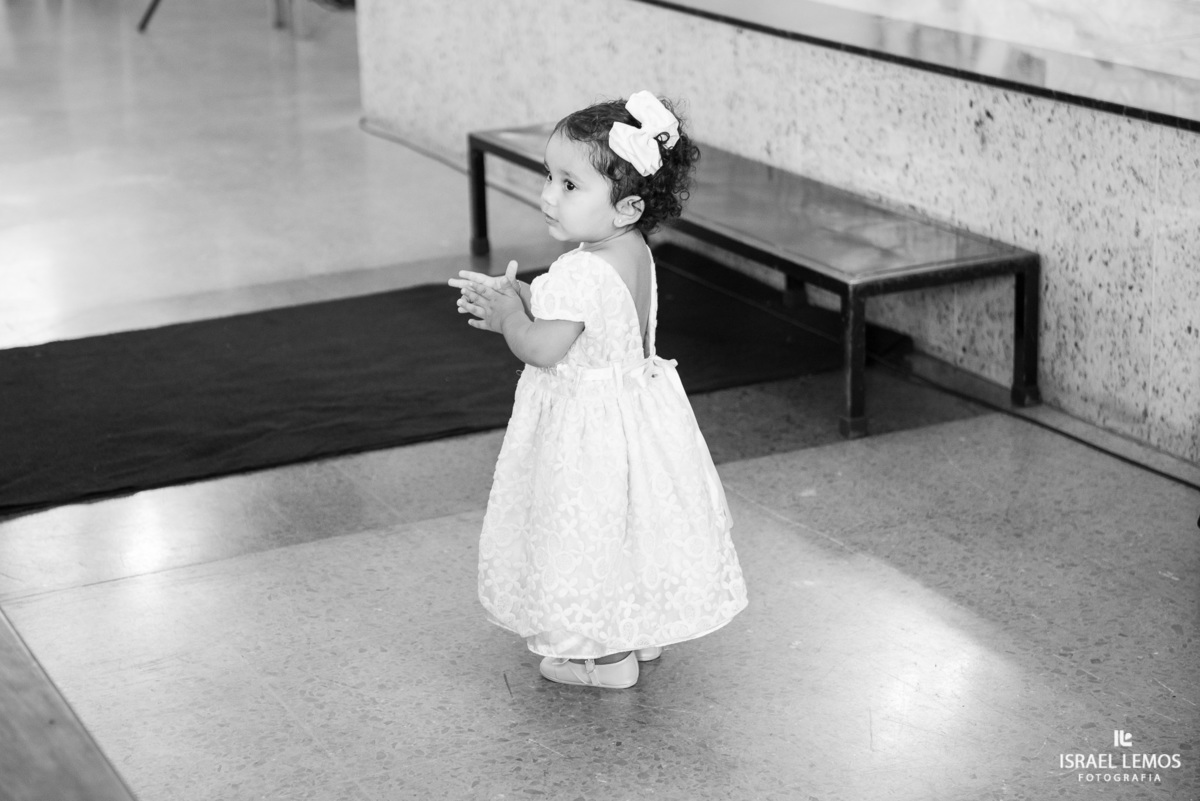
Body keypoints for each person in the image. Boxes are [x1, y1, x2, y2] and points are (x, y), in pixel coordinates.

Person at [449, 91, 748, 689]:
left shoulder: (579, 269)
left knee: (586, 532)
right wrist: (530, 299)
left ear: (627, 205)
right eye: (550, 177)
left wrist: (511, 319)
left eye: (569, 184)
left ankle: (603, 659)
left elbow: (544, 349)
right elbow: (596, 325)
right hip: (635, 417)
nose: (547, 195)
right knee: (632, 525)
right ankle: (640, 630)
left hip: (587, 433)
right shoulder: (630, 252)